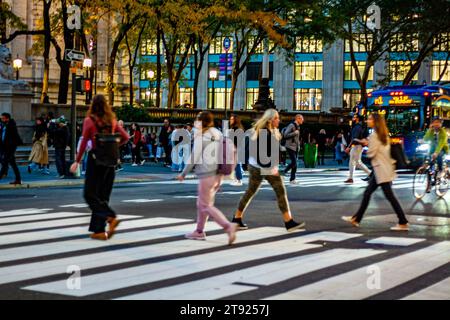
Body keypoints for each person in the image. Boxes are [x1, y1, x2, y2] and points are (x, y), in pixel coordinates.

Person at [232, 109, 306, 232]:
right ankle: (288, 222)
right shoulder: (264, 132)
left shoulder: (270, 131)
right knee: (279, 190)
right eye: (276, 118)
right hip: (260, 167)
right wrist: (272, 170)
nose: (279, 120)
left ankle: (237, 218)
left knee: (251, 192)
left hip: (257, 166)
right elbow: (262, 156)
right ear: (271, 120)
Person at [70, 95, 130, 241]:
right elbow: (126, 137)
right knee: (102, 196)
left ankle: (110, 217)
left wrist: (77, 161)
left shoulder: (89, 121)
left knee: (89, 194)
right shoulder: (112, 121)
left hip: (95, 160)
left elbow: (84, 141)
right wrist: (113, 146)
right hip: (110, 162)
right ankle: (98, 230)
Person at [177, 111, 238, 245]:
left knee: (205, 205)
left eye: (197, 120)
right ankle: (199, 231)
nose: (195, 122)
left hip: (207, 174)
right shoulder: (217, 133)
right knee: (202, 204)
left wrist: (183, 173)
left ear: (201, 121)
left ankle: (228, 226)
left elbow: (194, 157)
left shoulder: (202, 136)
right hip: (219, 174)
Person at [342, 113, 409, 231]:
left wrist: (366, 145)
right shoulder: (383, 134)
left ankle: (403, 221)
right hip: (383, 169)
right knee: (368, 193)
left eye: (370, 119)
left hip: (381, 170)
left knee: (390, 197)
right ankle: (356, 219)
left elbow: (371, 153)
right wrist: (367, 142)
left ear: (375, 122)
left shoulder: (374, 136)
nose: (368, 121)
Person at [344, 115, 371, 183]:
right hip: (358, 146)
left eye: (354, 117)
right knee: (352, 162)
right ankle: (350, 178)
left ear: (357, 119)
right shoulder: (362, 126)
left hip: (357, 146)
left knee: (357, 163)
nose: (352, 118)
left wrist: (348, 147)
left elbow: (354, 138)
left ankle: (371, 174)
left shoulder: (357, 127)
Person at [423, 117, 449, 189]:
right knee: (428, 163)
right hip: (432, 148)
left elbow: (441, 144)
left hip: (442, 149)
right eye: (435, 122)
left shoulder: (443, 132)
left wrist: (436, 153)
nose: (436, 124)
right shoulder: (431, 131)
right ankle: (429, 184)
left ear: (441, 124)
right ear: (432, 123)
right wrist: (429, 130)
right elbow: (425, 138)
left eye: (438, 122)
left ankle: (440, 171)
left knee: (439, 156)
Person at [0, 113, 23, 185]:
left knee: (5, 162)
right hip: (5, 146)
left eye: (3, 118)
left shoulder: (11, 125)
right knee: (13, 164)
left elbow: (15, 136)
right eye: (1, 118)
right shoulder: (4, 124)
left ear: (7, 118)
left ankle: (1, 175)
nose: (2, 119)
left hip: (10, 147)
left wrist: (13, 146)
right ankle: (18, 179)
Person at [282, 114, 303, 184]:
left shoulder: (298, 126)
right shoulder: (291, 125)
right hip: (290, 146)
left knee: (295, 164)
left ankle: (292, 180)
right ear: (297, 118)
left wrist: (298, 146)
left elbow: (297, 138)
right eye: (301, 119)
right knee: (294, 162)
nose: (303, 120)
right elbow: (285, 135)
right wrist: (294, 133)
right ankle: (283, 172)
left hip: (295, 147)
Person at [229, 114, 245, 186]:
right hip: (237, 148)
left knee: (237, 164)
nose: (230, 120)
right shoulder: (238, 128)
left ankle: (239, 180)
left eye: (232, 119)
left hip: (235, 148)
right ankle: (237, 179)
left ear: (235, 120)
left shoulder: (235, 129)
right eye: (230, 119)